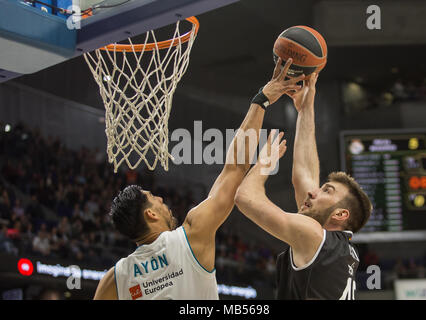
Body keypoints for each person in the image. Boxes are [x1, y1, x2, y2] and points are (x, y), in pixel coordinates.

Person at [93, 58, 304, 300]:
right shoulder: (191, 236)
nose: (162, 200)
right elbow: (235, 168)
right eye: (154, 199)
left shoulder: (115, 278)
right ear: (150, 215)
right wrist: (262, 100)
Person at [234, 73, 373, 300]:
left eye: (326, 191)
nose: (313, 191)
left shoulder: (316, 237)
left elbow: (246, 199)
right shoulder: (339, 250)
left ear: (340, 214)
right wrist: (306, 108)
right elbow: (305, 175)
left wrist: (264, 163)